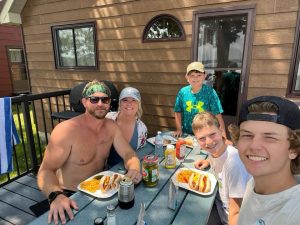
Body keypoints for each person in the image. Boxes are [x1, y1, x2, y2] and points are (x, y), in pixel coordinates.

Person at [37, 80, 142, 225]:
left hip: (101, 192)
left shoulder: (111, 127)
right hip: (70, 195)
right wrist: (56, 196)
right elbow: (45, 170)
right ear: (84, 102)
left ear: (109, 103)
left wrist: (134, 168)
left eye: (104, 99)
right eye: (94, 99)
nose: (100, 103)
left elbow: (128, 153)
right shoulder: (66, 130)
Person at [229, 96, 300, 225]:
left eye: (270, 137)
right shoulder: (252, 185)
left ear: (293, 149)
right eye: (247, 135)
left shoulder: (295, 212)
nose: (254, 146)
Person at [192, 112, 250, 225]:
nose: (209, 142)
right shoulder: (216, 152)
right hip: (219, 206)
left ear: (221, 130)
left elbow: (237, 212)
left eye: (212, 134)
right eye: (202, 138)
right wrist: (208, 161)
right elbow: (217, 158)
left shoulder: (234, 163)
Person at [174, 61, 226, 138]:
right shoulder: (183, 92)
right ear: (187, 77)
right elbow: (178, 112)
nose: (195, 78)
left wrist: (223, 137)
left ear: (204, 76)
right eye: (192, 75)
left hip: (206, 135)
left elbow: (217, 115)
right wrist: (179, 129)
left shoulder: (210, 92)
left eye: (199, 75)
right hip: (186, 134)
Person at [106, 87, 148, 168]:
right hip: (107, 172)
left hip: (130, 171)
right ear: (120, 103)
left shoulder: (142, 129)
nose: (129, 103)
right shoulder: (108, 119)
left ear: (138, 104)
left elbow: (140, 154)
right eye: (125, 100)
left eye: (133, 100)